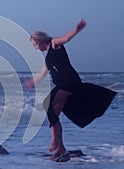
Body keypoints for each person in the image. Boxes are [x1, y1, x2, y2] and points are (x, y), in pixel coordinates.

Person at [26, 19, 117, 161]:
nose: (35, 48)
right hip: (63, 84)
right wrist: (32, 81)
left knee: (49, 107)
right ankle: (61, 149)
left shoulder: (55, 43)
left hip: (69, 82)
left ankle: (55, 141)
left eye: (35, 45)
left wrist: (77, 29)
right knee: (52, 112)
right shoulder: (48, 57)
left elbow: (66, 38)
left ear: (39, 40)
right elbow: (42, 73)